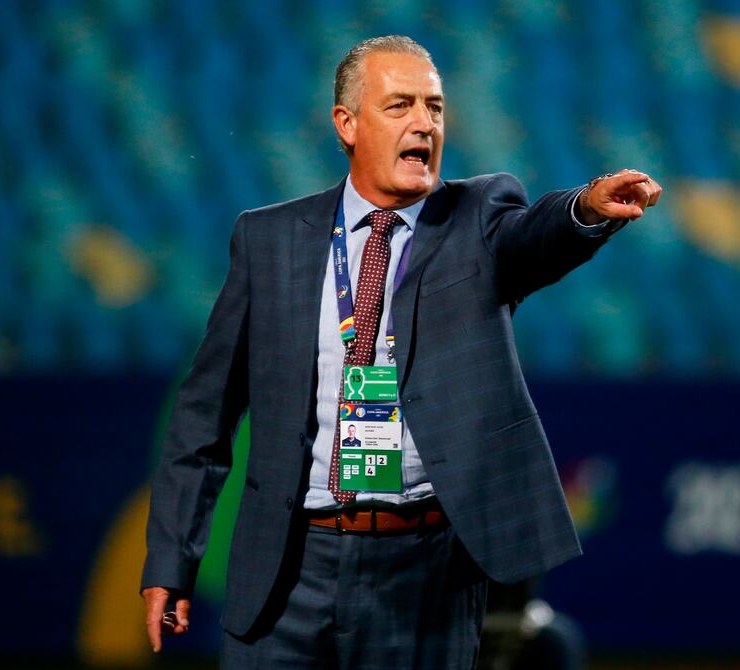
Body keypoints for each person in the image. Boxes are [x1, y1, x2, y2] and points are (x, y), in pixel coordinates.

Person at [141, 35, 661, 669]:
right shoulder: (268, 239)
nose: (424, 123)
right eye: (400, 105)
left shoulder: (477, 217)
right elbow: (203, 417)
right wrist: (171, 560)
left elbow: (536, 236)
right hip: (286, 569)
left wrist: (585, 209)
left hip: (425, 575)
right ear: (347, 124)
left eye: (434, 107)